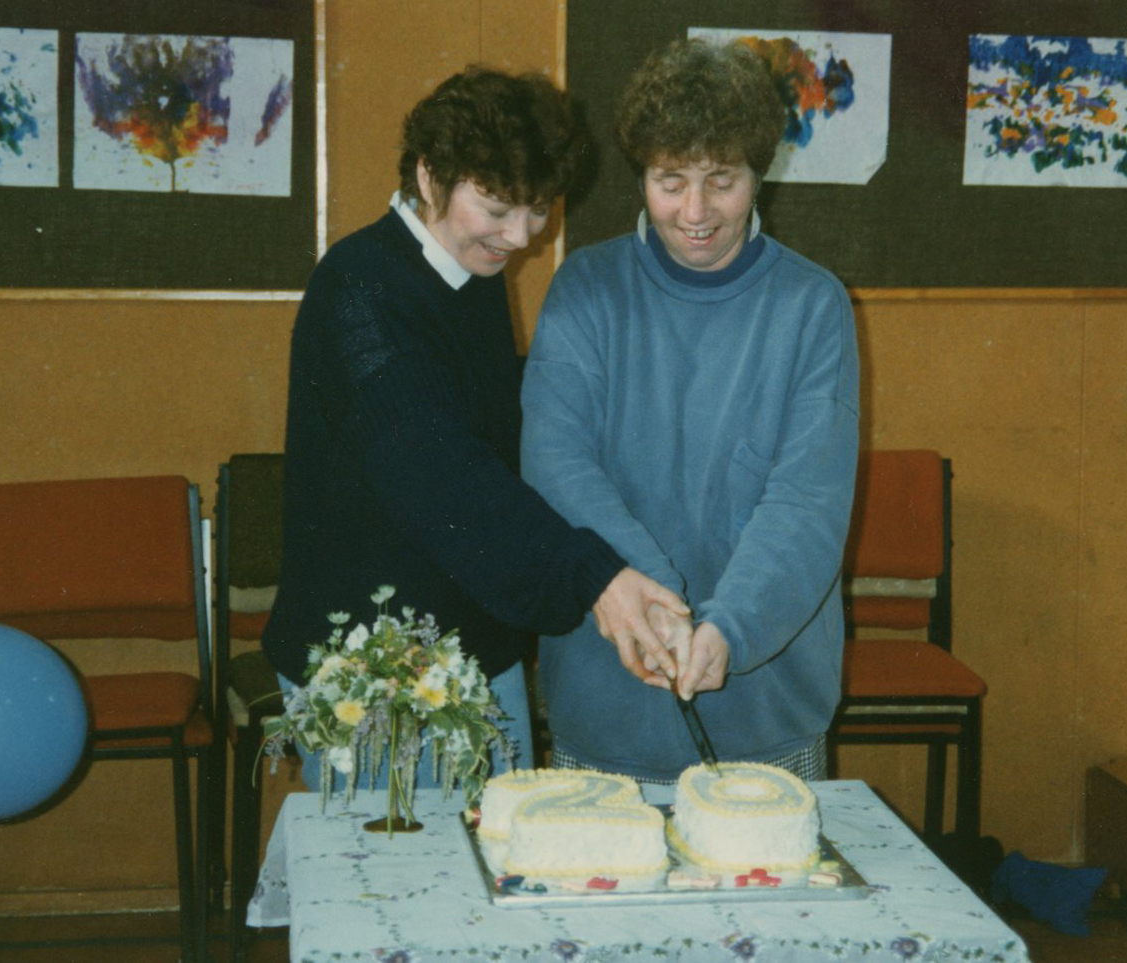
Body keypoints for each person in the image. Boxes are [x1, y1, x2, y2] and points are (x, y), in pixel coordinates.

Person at [262, 66, 689, 790]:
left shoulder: (465, 271)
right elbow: (442, 476)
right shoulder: (360, 287)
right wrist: (597, 578)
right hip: (373, 668)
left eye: (537, 210)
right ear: (430, 176)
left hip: (464, 646)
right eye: (497, 207)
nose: (520, 237)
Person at [520, 38, 860, 783]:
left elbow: (807, 499)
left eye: (722, 180)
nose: (696, 211)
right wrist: (651, 600)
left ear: (760, 174)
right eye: (671, 181)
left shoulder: (813, 305)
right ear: (642, 174)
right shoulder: (585, 290)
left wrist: (729, 628)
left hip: (765, 708)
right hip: (605, 695)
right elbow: (555, 463)